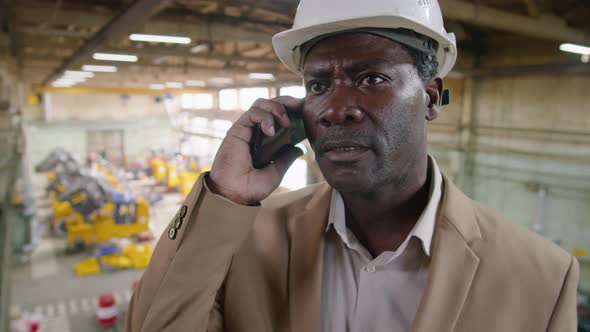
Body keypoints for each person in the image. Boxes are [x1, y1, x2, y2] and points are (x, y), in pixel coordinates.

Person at [126, 0, 579, 331]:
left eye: (372, 78)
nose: (334, 108)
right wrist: (225, 197)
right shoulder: (243, 239)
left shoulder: (539, 277)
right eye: (318, 84)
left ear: (431, 97)